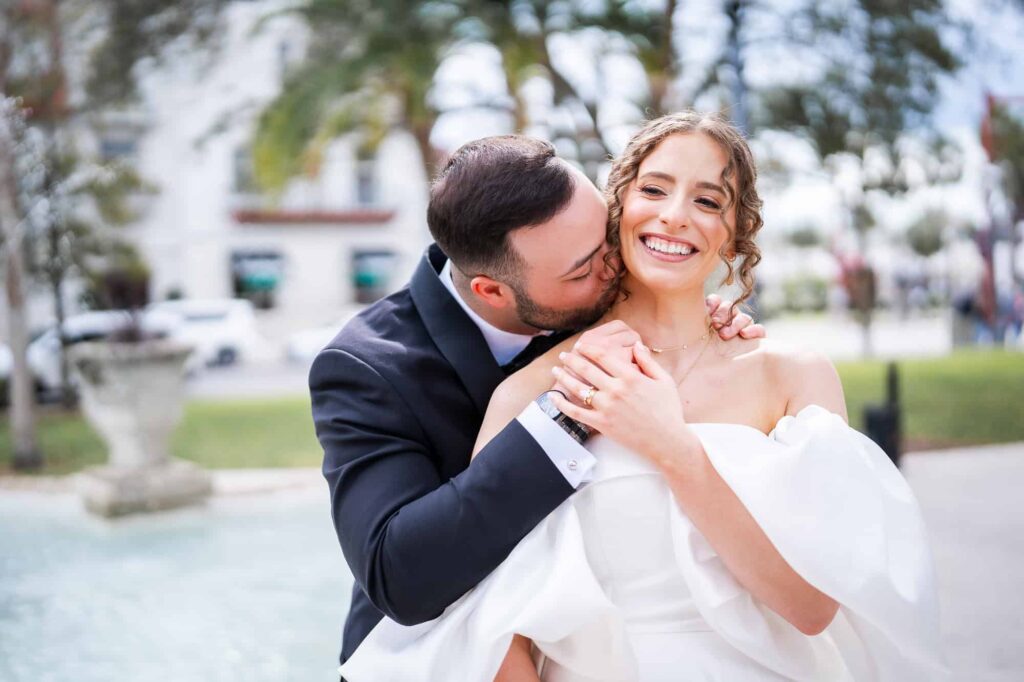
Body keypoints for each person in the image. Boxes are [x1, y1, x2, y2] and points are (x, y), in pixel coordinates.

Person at [339, 112, 946, 681]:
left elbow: (812, 608)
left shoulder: (793, 375)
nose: (677, 215)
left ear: (735, 234)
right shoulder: (531, 389)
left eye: (709, 201)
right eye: (654, 190)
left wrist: (672, 448)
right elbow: (495, 633)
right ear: (617, 208)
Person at [309, 135, 762, 673]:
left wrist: (694, 324)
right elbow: (400, 577)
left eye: (607, 237)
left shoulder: (593, 296)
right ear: (492, 291)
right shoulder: (367, 368)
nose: (615, 268)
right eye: (584, 269)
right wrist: (566, 402)